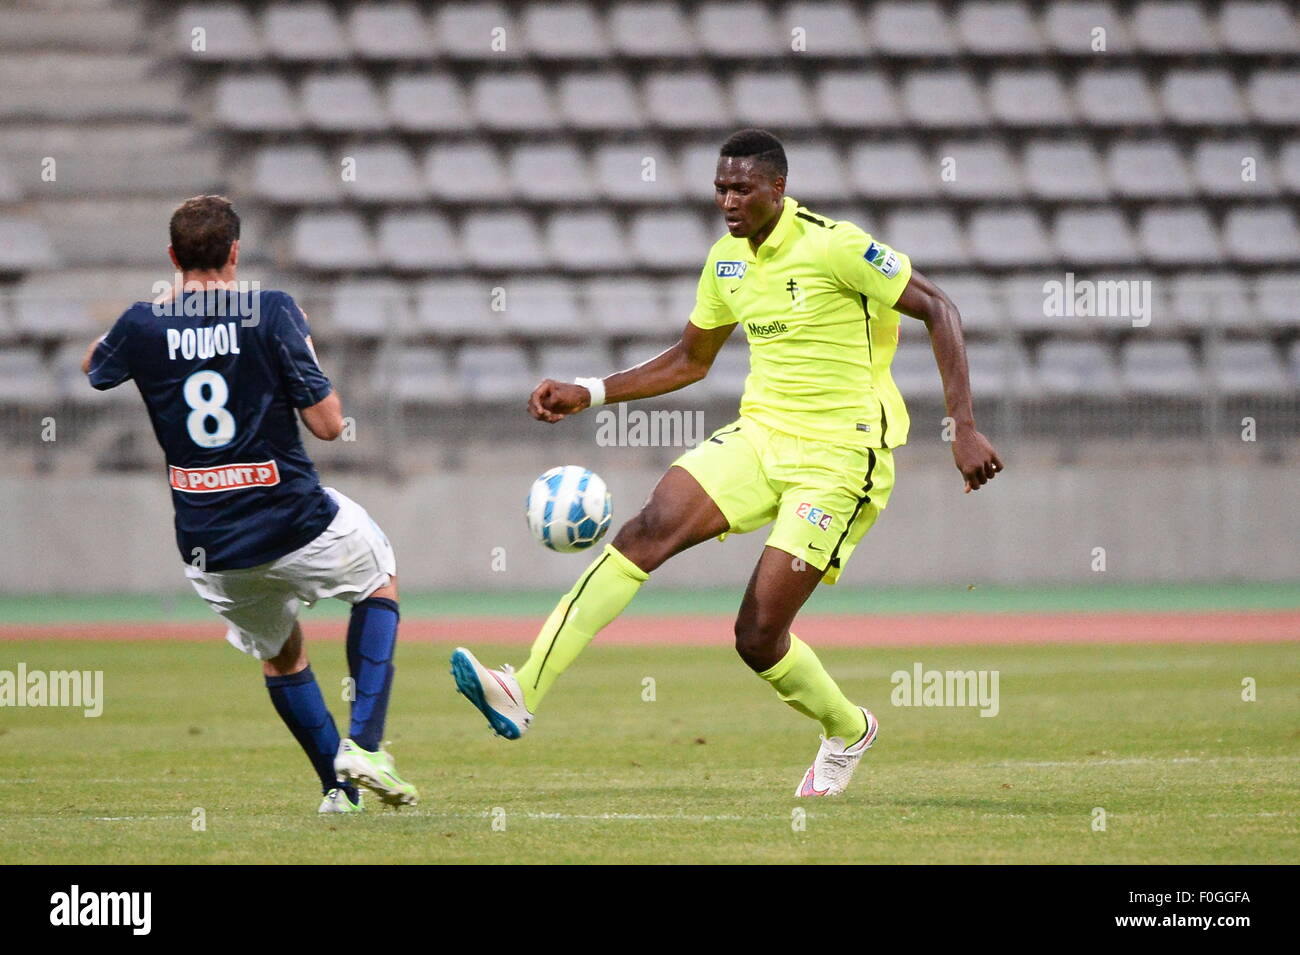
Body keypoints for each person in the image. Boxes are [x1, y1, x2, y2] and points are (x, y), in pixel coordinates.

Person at [450, 128, 1003, 797]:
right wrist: (590, 392)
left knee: (757, 635)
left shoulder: (836, 245)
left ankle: (848, 728)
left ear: (777, 188)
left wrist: (963, 426)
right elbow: (690, 359)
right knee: (649, 527)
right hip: (760, 437)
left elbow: (939, 308)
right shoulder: (727, 263)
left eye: (741, 188)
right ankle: (523, 686)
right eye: (720, 187)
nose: (728, 200)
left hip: (840, 457)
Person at [83, 195, 416, 813]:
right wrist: (301, 346)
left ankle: (337, 792)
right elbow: (328, 424)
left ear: (172, 257)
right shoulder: (272, 312)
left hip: (212, 547)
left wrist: (149, 321)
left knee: (281, 655)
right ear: (236, 252)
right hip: (295, 520)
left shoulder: (141, 324)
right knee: (378, 581)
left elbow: (93, 367)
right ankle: (365, 745)